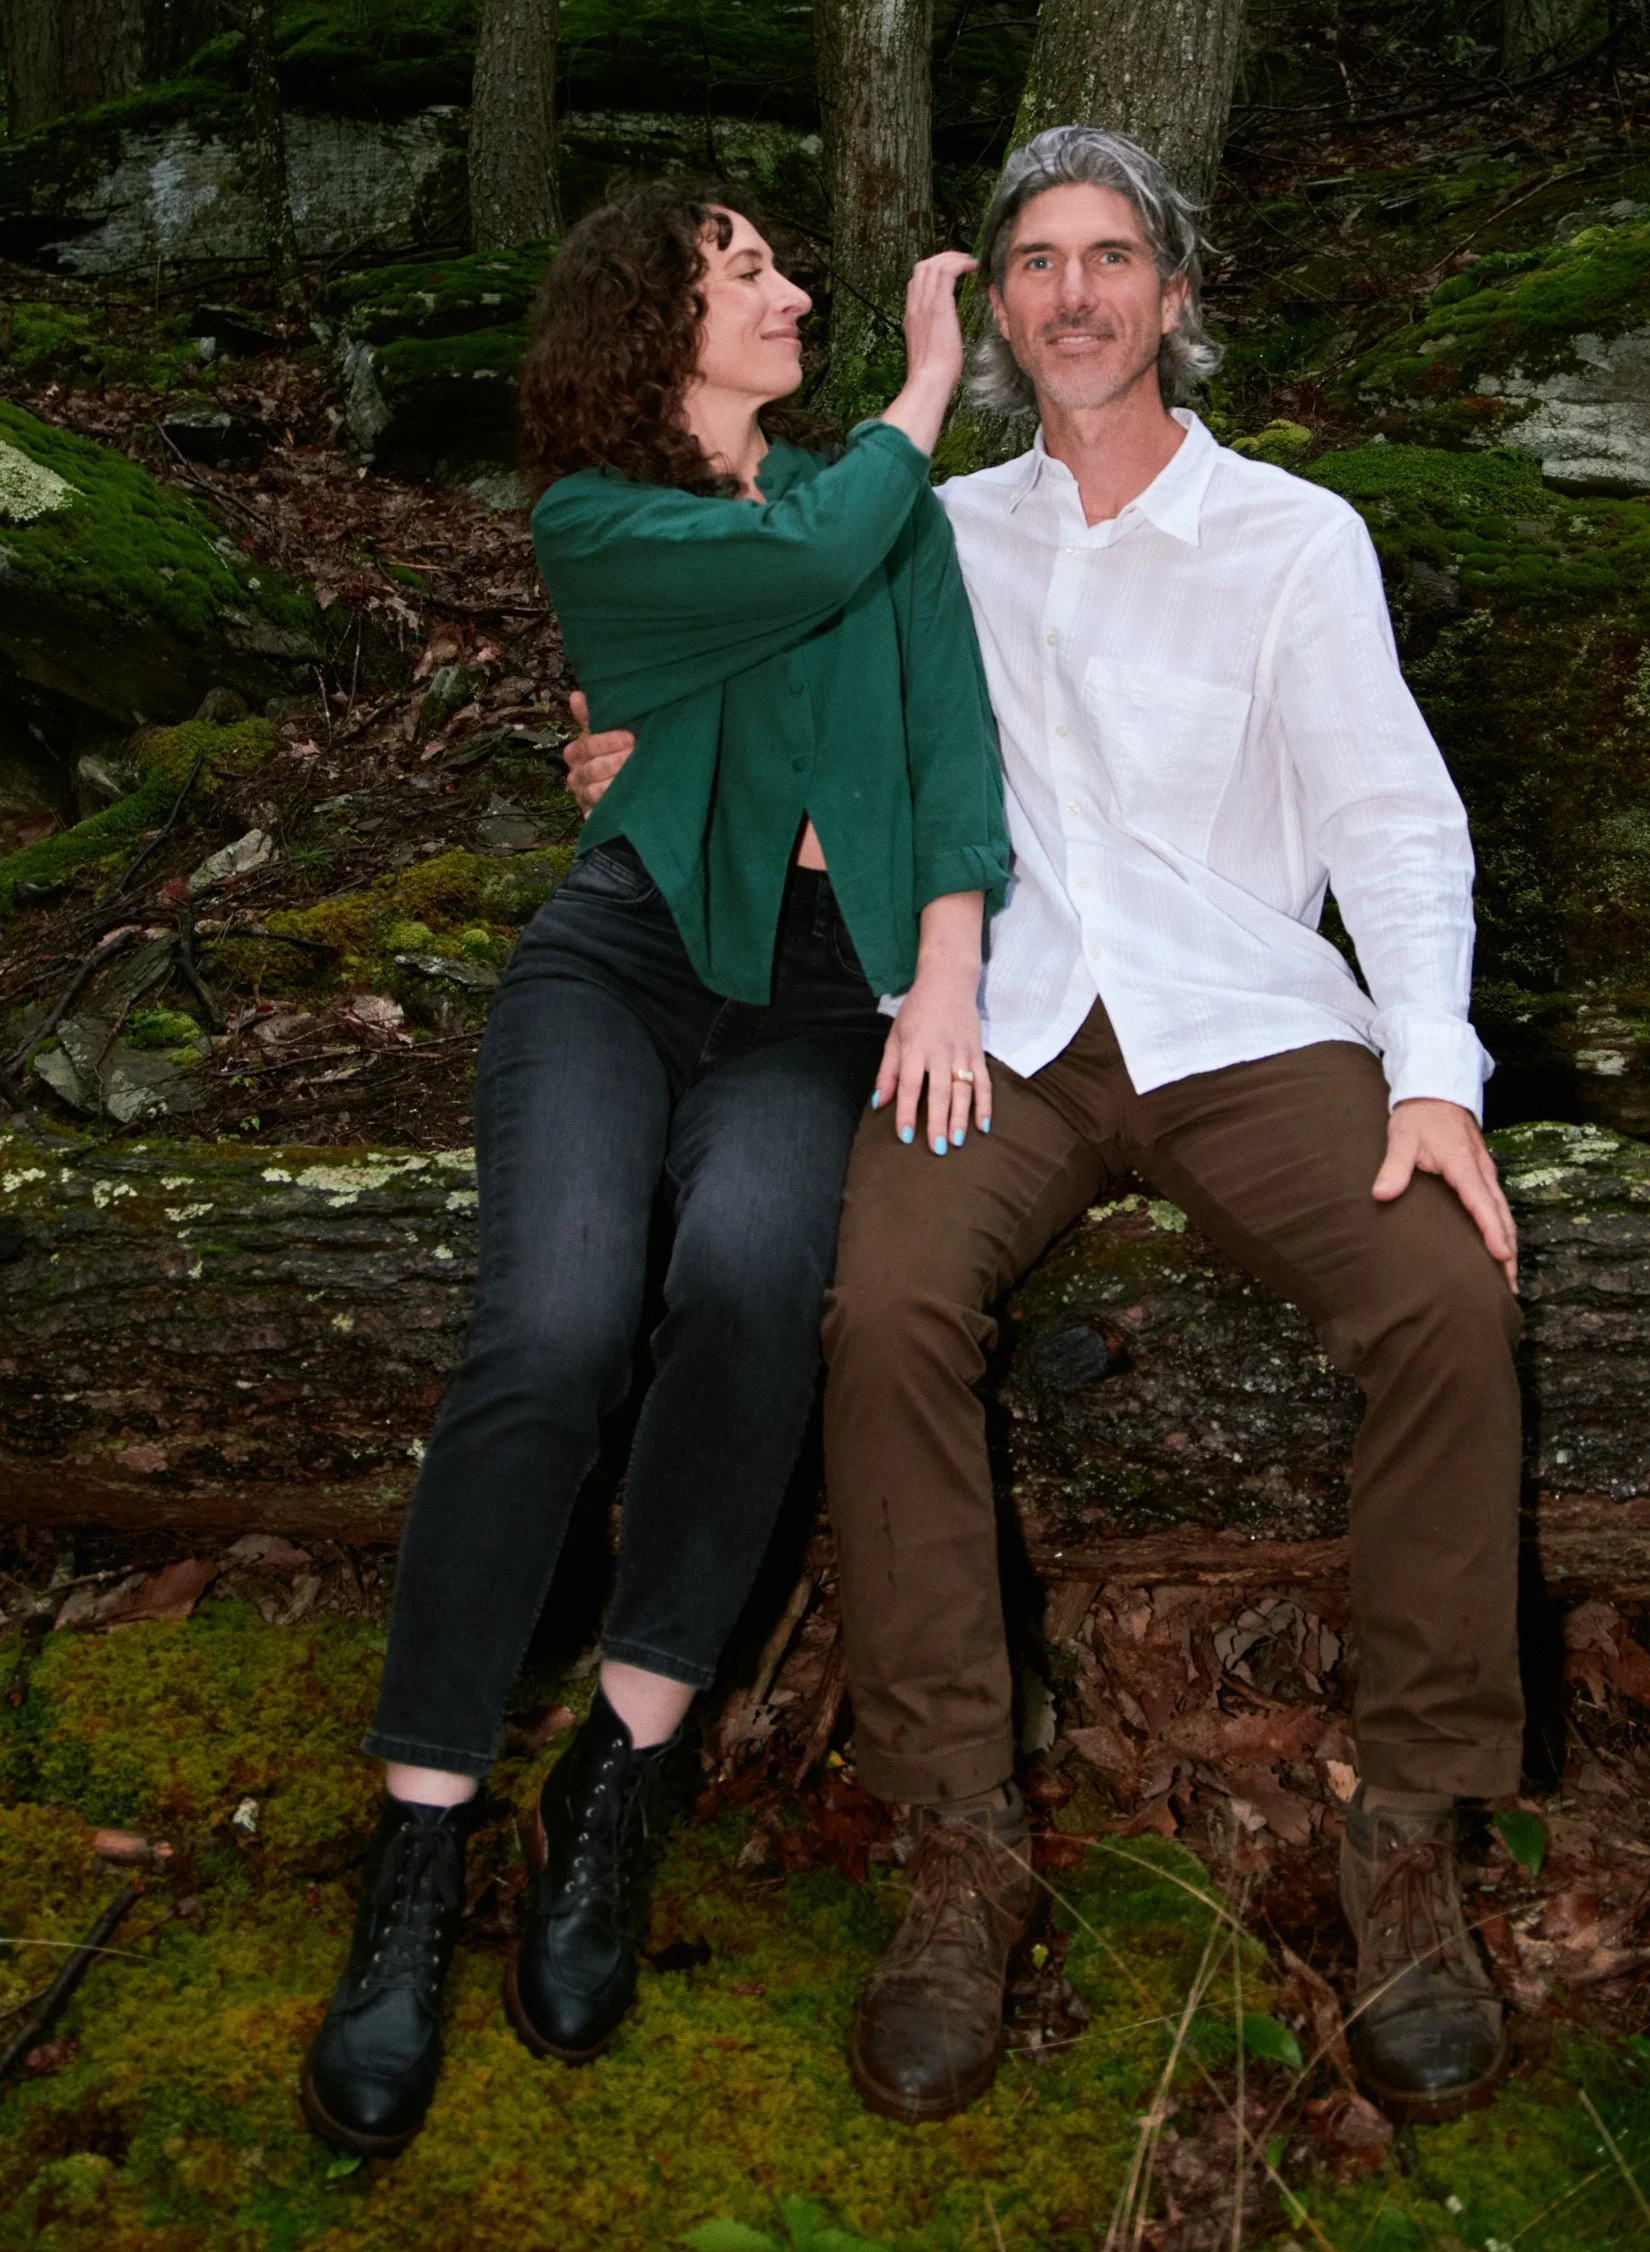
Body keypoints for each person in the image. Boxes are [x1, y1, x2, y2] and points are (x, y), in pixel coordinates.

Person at [565, 128, 1524, 2130]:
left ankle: (1412, 1830)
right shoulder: (926, 522)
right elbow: (771, 674)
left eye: (1110, 257)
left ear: (1175, 292)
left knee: (1444, 1293)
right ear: (994, 306)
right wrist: (649, 757)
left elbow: (1390, 817)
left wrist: (1433, 1069)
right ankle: (958, 1841)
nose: (1072, 293)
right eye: (1034, 261)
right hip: (990, 1028)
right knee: (882, 1307)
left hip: (1245, 1018)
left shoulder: (1293, 537)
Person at [300, 183, 1009, 2158]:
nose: (791, 290)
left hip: (817, 989)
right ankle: (418, 1849)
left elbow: (950, 743)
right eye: (745, 271)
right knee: (549, 1328)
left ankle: (618, 1777)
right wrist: (927, 381)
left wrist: (946, 970)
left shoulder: (881, 511)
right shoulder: (599, 520)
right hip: (619, 957)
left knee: (758, 1280)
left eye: (784, 265)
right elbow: (804, 560)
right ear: (651, 319)